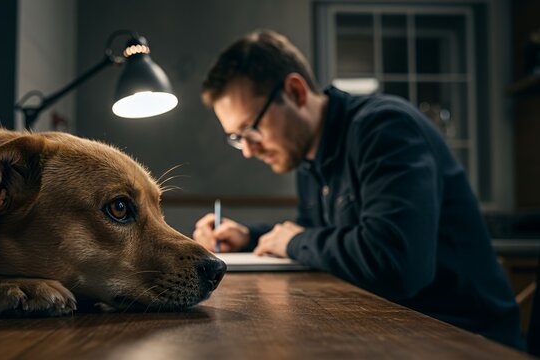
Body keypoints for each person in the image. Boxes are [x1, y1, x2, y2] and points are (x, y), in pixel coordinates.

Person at [193, 29, 523, 349]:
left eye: (251, 129)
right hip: (400, 329)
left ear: (295, 92)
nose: (249, 150)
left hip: (467, 339)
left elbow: (396, 263)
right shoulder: (308, 156)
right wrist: (250, 237)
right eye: (237, 138)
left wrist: (293, 241)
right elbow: (322, 235)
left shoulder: (385, 129)